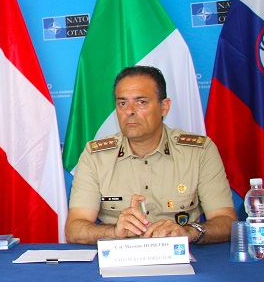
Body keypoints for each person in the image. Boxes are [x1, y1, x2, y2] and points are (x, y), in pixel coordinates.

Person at [65, 66, 237, 245]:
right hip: (119, 255)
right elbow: (74, 229)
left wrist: (188, 232)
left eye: (141, 102)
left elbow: (226, 221)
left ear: (164, 107)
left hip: (179, 255)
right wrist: (114, 232)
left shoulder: (199, 152)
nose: (129, 111)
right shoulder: (96, 156)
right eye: (122, 103)